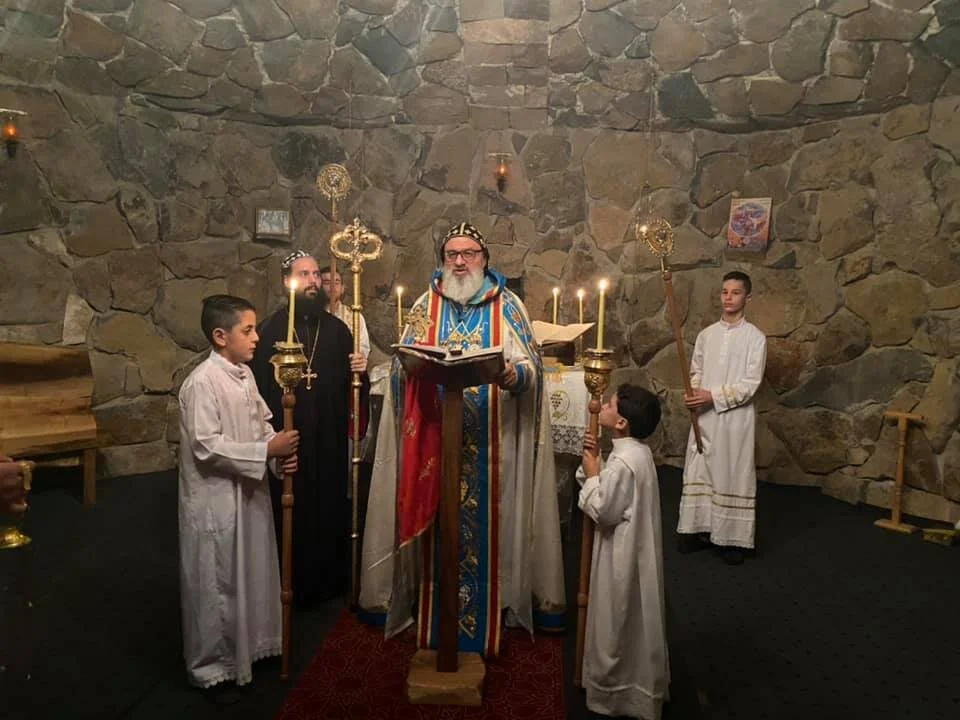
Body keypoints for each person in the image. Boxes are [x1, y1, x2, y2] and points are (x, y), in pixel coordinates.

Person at [359, 221, 565, 657]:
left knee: (496, 525)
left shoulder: (507, 306)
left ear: (484, 259)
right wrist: (409, 369)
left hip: (496, 446)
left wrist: (514, 374)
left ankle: (502, 598)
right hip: (436, 444)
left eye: (468, 253)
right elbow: (402, 367)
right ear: (443, 259)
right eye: (451, 253)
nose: (459, 261)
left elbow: (532, 369)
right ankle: (429, 603)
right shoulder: (424, 304)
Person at [177, 294, 300, 690]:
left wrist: (277, 451)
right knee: (219, 580)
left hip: (249, 494)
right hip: (217, 501)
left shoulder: (244, 375)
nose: (257, 337)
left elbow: (260, 422)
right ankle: (214, 666)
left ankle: (252, 646)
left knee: (250, 570)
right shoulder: (201, 383)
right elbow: (206, 446)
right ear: (219, 336)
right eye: (247, 330)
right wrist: (266, 451)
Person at [251, 251, 367, 608]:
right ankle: (290, 581)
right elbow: (257, 392)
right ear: (288, 281)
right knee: (293, 505)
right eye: (305, 274)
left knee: (329, 501)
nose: (315, 281)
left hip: (329, 437)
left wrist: (359, 370)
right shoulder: (270, 330)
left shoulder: (338, 330)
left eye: (317, 274)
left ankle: (330, 580)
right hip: (291, 436)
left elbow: (353, 388)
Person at [579, 384, 669, 720]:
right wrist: (597, 467)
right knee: (633, 616)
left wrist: (592, 477)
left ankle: (615, 691)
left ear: (621, 423)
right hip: (636, 550)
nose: (602, 405)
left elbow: (605, 511)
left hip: (621, 554)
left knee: (615, 618)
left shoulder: (624, 462)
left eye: (611, 403)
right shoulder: (637, 453)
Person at [677, 270, 767, 565]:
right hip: (704, 416)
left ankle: (732, 540)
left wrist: (712, 396)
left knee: (732, 472)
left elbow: (751, 384)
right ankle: (702, 528)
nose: (728, 297)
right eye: (724, 292)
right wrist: (693, 395)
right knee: (702, 470)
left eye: (736, 292)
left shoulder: (755, 338)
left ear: (748, 298)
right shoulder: (706, 335)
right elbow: (696, 372)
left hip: (735, 419)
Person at [320, 265, 371, 360]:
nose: (332, 286)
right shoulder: (312, 316)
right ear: (318, 287)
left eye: (336, 282)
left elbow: (363, 348)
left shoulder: (354, 317)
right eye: (327, 282)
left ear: (342, 288)